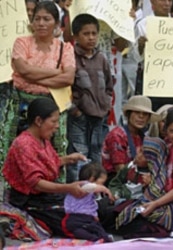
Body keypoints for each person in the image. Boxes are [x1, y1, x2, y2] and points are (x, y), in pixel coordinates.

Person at [0, 1, 75, 177]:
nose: (41, 23)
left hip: (52, 106)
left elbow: (69, 78)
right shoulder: (21, 42)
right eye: (37, 19)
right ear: (31, 22)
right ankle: (6, 194)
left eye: (46, 19)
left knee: (56, 149)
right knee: (9, 147)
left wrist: (32, 75)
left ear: (56, 24)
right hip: (20, 104)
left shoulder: (65, 48)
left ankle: (54, 193)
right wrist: (55, 73)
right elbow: (22, 70)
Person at [2, 97, 87, 237]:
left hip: (46, 195)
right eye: (53, 121)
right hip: (29, 200)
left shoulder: (42, 140)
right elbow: (36, 183)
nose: (57, 126)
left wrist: (67, 159)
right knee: (75, 221)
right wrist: (69, 187)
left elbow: (45, 164)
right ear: (39, 121)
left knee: (86, 205)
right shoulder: (23, 144)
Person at [66, 14, 113, 183]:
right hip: (79, 117)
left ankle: (95, 194)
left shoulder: (101, 59)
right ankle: (76, 193)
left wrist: (106, 105)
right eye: (86, 34)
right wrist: (75, 111)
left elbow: (109, 85)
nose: (91, 37)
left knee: (97, 154)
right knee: (79, 156)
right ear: (76, 36)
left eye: (94, 33)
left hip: (99, 117)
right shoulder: (70, 57)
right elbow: (65, 88)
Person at [102, 95, 161, 184]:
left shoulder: (143, 136)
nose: (141, 117)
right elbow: (120, 171)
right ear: (129, 114)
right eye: (137, 113)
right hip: (116, 183)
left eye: (145, 114)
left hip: (136, 181)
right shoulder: (117, 135)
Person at [63, 162, 114, 242]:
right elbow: (92, 187)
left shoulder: (89, 192)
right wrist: (106, 190)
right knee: (88, 235)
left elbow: (91, 206)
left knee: (100, 233)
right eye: (102, 183)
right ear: (92, 179)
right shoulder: (82, 186)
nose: (102, 185)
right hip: (76, 219)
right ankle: (96, 240)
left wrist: (95, 215)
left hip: (88, 219)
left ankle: (103, 239)